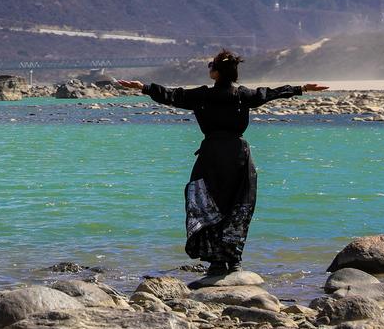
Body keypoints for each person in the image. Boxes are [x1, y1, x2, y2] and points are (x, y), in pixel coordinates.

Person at [118, 51, 328, 275]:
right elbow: (270, 93)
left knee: (208, 203)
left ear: (216, 73)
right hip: (238, 156)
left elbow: (172, 95)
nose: (209, 68)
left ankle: (217, 262)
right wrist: (301, 88)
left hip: (211, 156)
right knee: (238, 204)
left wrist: (144, 87)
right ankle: (234, 259)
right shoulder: (243, 95)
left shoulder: (202, 95)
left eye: (211, 65)